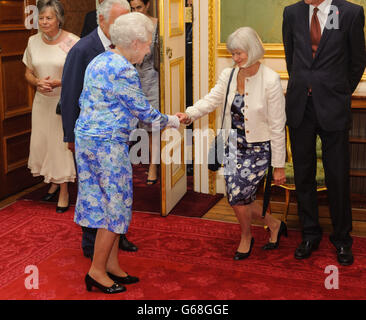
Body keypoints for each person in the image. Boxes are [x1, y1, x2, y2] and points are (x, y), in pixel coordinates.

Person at [75, 12, 180, 294]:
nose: (148, 51)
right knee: (115, 207)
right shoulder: (124, 69)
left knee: (100, 203)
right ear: (135, 43)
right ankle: (96, 271)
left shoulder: (101, 59)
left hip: (87, 141)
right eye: (147, 45)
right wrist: (173, 120)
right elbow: (144, 112)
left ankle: (110, 264)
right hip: (107, 145)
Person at [177, 27, 287, 260]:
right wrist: (189, 114)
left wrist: (279, 165)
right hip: (232, 145)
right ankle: (274, 224)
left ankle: (246, 236)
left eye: (240, 53)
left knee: (237, 195)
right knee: (237, 196)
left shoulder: (271, 80)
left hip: (259, 148)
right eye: (233, 54)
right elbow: (212, 99)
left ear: (252, 50)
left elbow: (278, 125)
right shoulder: (228, 75)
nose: (236, 59)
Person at [282, 0, 366, 266]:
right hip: (300, 108)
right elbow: (291, 56)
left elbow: (357, 62)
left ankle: (342, 239)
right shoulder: (292, 13)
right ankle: (310, 234)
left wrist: (339, 92)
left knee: (337, 177)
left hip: (333, 108)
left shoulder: (351, 13)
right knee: (304, 175)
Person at [60, 0, 137, 258]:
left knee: (114, 190)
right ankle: (91, 245)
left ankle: (116, 239)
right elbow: (70, 95)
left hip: (115, 135)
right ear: (101, 21)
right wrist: (70, 136)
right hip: (90, 138)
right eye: (118, 22)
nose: (123, 27)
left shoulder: (125, 48)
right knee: (94, 191)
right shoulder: (83, 49)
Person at [23, 0, 79, 213]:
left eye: (49, 18)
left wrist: (60, 82)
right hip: (41, 103)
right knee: (44, 144)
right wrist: (37, 82)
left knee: (59, 147)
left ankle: (64, 190)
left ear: (59, 19)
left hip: (62, 104)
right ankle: (54, 182)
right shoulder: (32, 42)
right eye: (41, 18)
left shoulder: (72, 42)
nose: (44, 22)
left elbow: (81, 74)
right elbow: (28, 72)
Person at [128, 0, 160, 185]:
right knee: (138, 124)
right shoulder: (128, 26)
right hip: (132, 79)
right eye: (132, 8)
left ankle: (154, 166)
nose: (135, 11)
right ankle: (142, 159)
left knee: (153, 124)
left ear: (147, 6)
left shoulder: (157, 25)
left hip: (152, 78)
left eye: (139, 7)